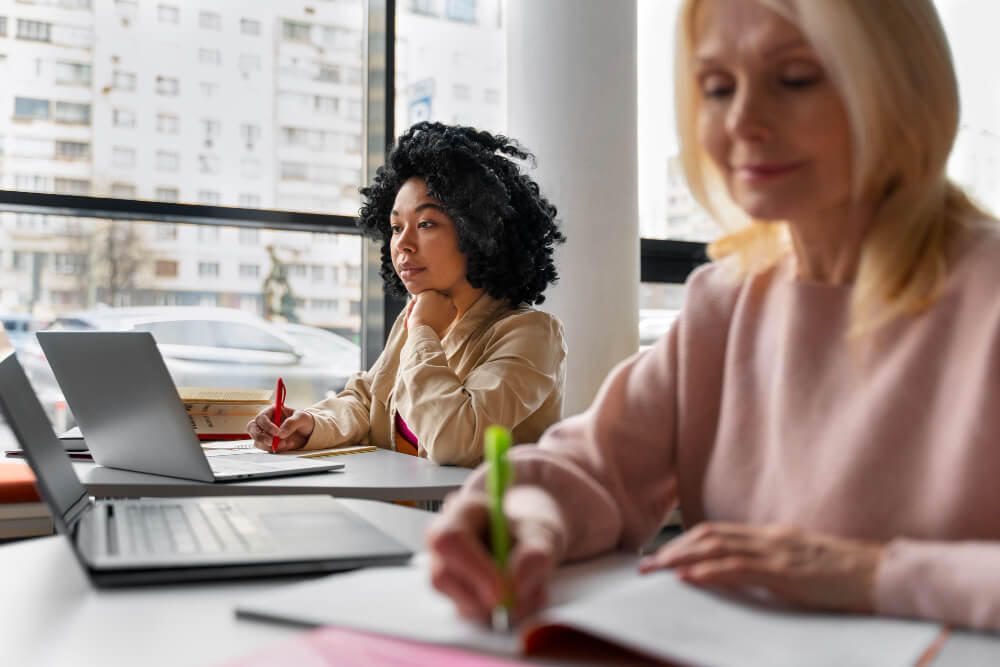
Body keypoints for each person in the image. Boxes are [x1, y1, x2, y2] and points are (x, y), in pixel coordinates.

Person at [427, 0, 1000, 631]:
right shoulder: (723, 305)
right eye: (718, 88)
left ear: (901, 87)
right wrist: (525, 518)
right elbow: (591, 467)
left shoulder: (987, 296)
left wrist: (873, 574)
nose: (743, 121)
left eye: (796, 79)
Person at [247, 122, 567, 467]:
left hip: (482, 519)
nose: (402, 243)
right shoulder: (417, 316)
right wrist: (311, 424)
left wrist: (424, 333)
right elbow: (368, 400)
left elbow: (452, 439)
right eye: (397, 227)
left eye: (426, 224)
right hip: (400, 512)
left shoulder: (531, 333)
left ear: (480, 231)